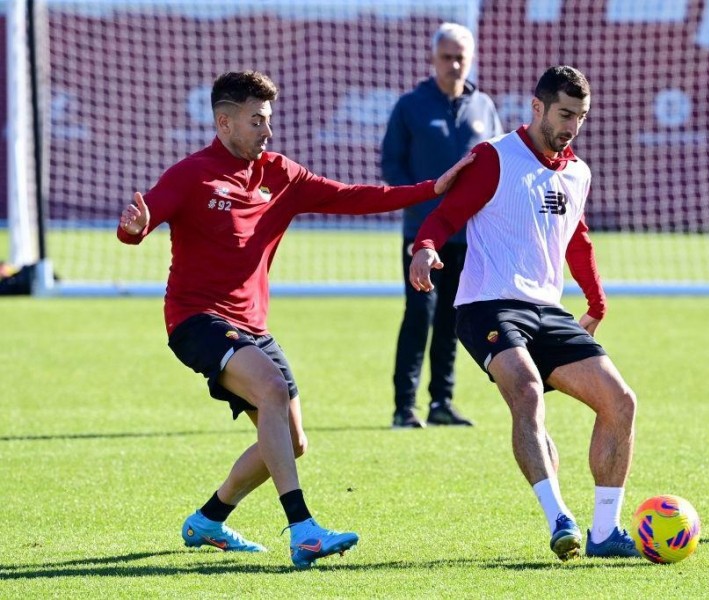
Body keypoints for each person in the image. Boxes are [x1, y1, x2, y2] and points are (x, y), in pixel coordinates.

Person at [116, 70, 472, 569]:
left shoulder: (281, 174)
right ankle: (303, 530)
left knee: (293, 441)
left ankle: (208, 520)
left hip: (253, 327)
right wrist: (132, 231)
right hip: (196, 320)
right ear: (224, 123)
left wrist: (431, 187)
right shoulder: (190, 175)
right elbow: (140, 222)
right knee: (273, 392)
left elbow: (354, 197)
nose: (268, 131)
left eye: (269, 120)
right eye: (257, 121)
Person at [408, 66, 640, 560]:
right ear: (537, 108)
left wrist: (597, 302)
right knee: (527, 388)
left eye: (580, 116)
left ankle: (604, 532)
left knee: (621, 401)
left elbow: (576, 239)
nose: (572, 126)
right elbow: (445, 214)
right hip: (486, 304)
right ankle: (560, 518)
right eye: (564, 114)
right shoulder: (495, 157)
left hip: (545, 309)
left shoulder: (578, 171)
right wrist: (425, 247)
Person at [381, 22, 503, 429]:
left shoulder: (484, 106)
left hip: (468, 236)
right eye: (447, 57)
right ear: (432, 59)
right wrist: (421, 200)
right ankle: (404, 407)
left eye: (460, 57)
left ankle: (441, 402)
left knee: (453, 318)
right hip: (421, 234)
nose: (454, 64)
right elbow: (392, 165)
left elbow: (498, 168)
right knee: (419, 314)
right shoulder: (411, 106)